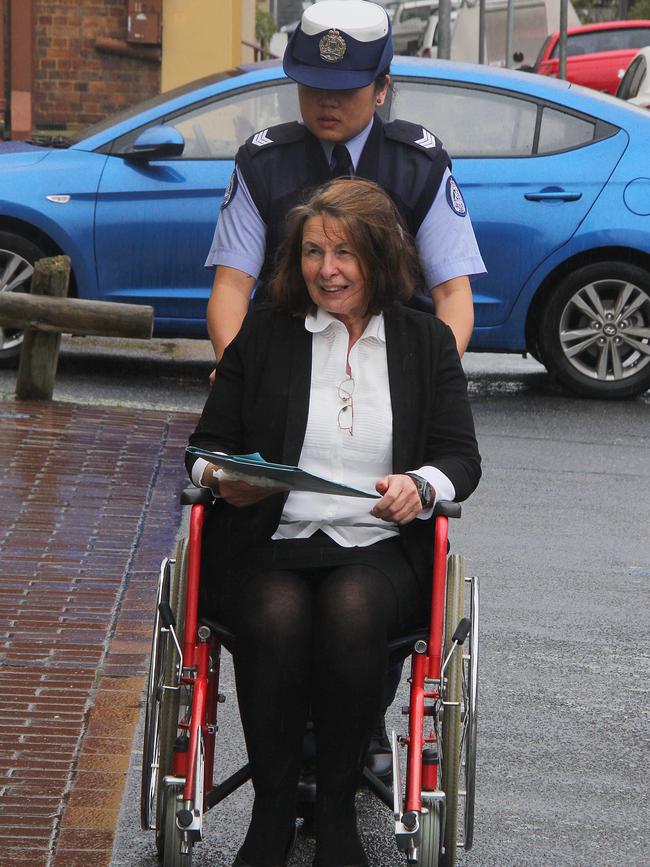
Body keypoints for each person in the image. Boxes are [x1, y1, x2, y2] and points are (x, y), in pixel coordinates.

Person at [187, 178, 481, 867]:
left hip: (379, 548)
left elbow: (460, 458)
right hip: (273, 541)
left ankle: (337, 812)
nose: (327, 269)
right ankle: (271, 811)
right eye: (314, 251)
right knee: (276, 610)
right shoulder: (266, 331)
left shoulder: (425, 341)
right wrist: (224, 480)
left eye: (344, 252)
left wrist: (419, 485)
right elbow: (203, 450)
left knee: (351, 605)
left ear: (379, 259)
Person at [205, 0, 485, 367]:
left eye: (345, 89)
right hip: (285, 363)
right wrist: (235, 373)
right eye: (313, 86)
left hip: (394, 361)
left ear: (381, 88)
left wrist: (436, 380)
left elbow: (452, 294)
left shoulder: (418, 166)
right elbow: (231, 287)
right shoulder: (263, 164)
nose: (327, 102)